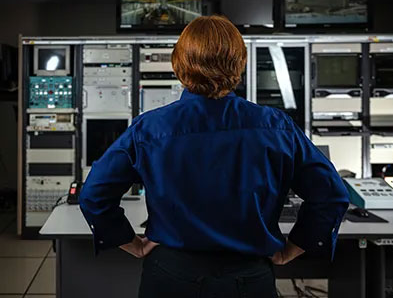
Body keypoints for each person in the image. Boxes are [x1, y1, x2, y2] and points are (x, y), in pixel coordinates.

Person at [79, 15, 349, 298]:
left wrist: (132, 244)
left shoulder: (149, 128)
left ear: (179, 63)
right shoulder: (276, 126)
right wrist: (290, 250)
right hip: (248, 279)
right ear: (239, 63)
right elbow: (331, 196)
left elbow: (94, 196)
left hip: (169, 277)